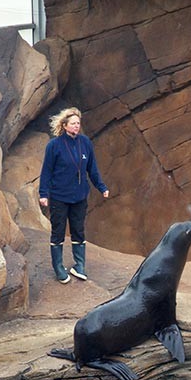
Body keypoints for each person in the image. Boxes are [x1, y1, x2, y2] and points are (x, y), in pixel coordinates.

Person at [38, 106, 110, 284]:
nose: (76, 126)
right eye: (73, 123)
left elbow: (92, 169)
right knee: (58, 232)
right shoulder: (54, 146)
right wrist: (43, 193)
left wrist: (101, 187)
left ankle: (79, 266)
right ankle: (59, 268)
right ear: (64, 125)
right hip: (59, 196)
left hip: (79, 196)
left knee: (78, 230)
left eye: (78, 123)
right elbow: (46, 171)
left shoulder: (85, 142)